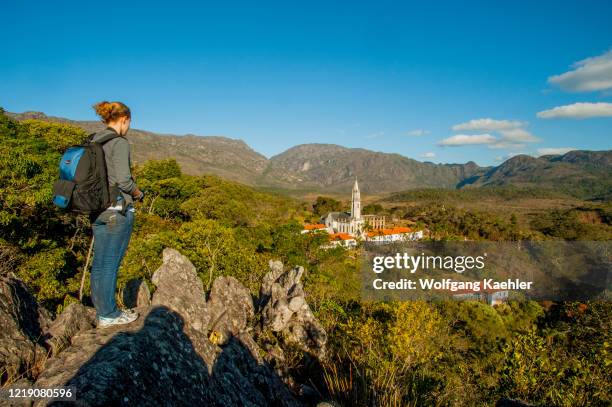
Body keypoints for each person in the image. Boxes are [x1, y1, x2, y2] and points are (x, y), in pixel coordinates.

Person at [89, 101, 144, 327]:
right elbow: (123, 179)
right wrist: (137, 192)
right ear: (125, 119)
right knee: (110, 263)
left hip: (98, 210)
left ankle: (102, 311)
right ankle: (109, 314)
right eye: (129, 122)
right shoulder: (119, 142)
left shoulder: (94, 140)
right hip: (116, 210)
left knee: (100, 263)